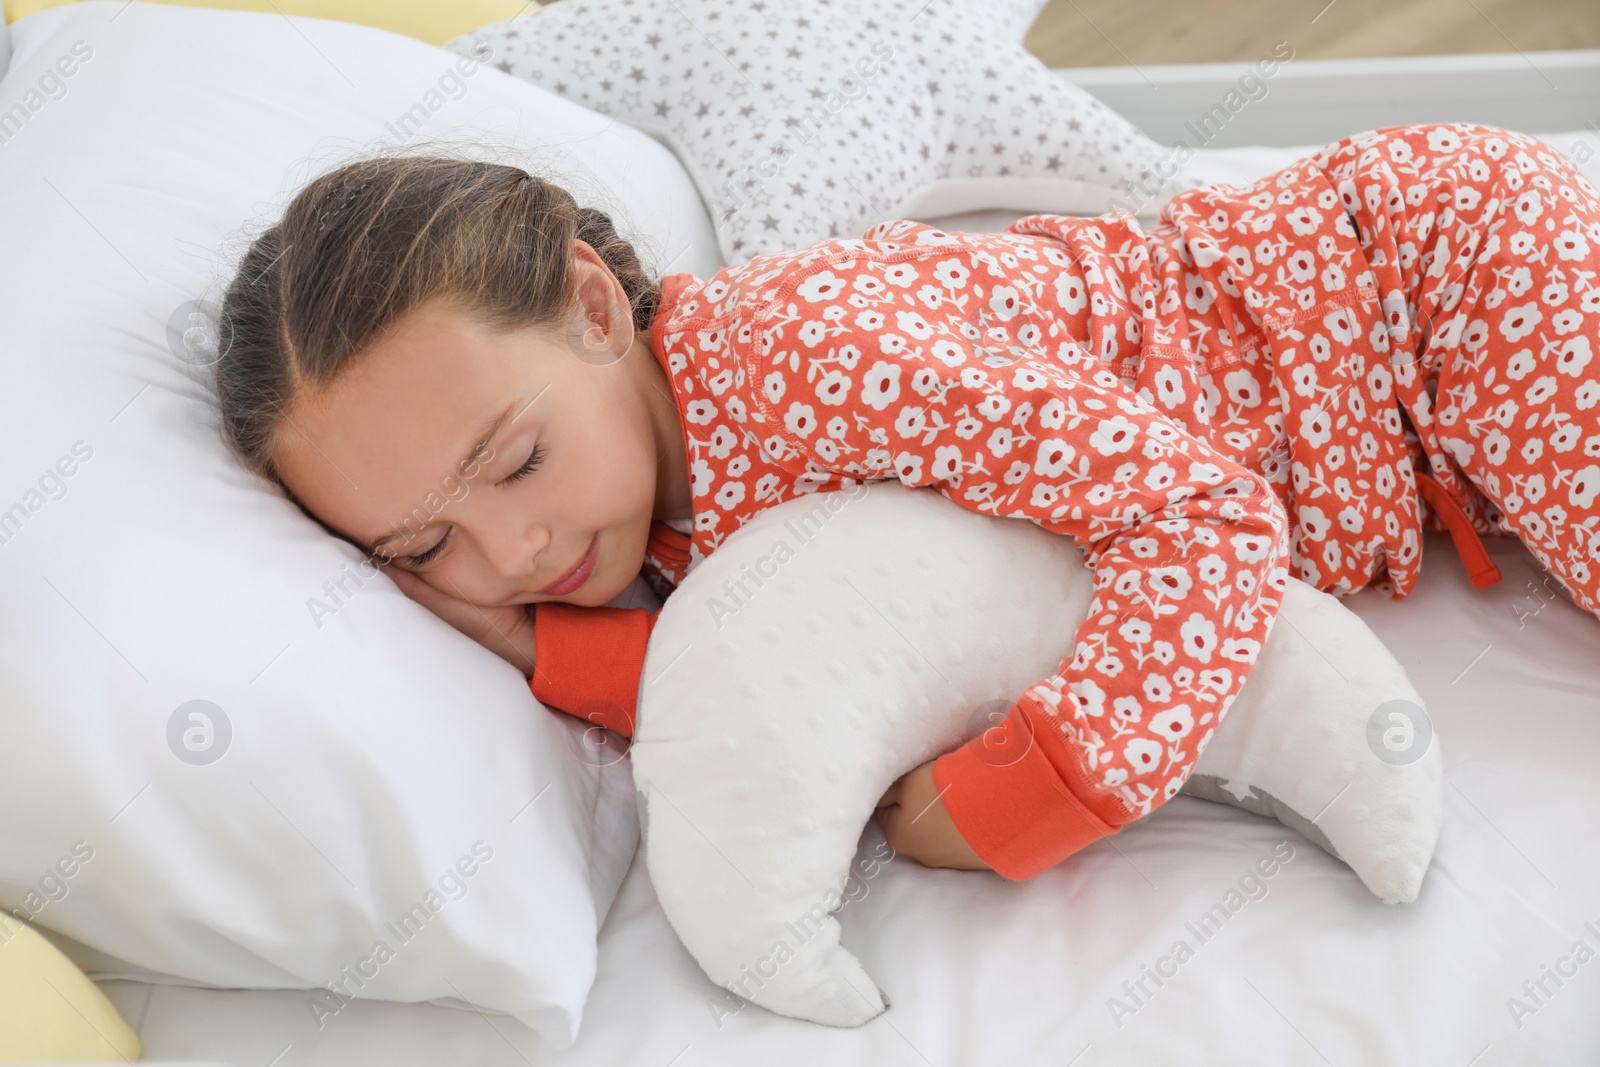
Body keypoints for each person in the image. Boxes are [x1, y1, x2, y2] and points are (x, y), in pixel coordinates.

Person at [212, 122, 1600, 882]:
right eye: (422, 547)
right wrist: (542, 653)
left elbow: (1207, 520)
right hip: (1414, 414)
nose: (508, 549)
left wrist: (1044, 784)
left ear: (592, 309)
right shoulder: (651, 500)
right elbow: (791, 661)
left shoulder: (801, 365)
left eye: (514, 465)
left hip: (1426, 284)